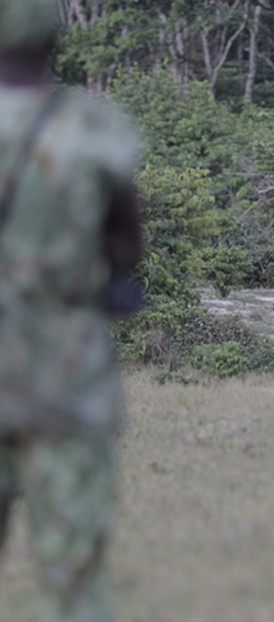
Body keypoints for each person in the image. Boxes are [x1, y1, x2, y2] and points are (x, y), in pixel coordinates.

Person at [0, 0, 143, 620]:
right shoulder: (92, 125)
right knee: (76, 574)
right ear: (56, 39)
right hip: (65, 367)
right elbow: (126, 242)